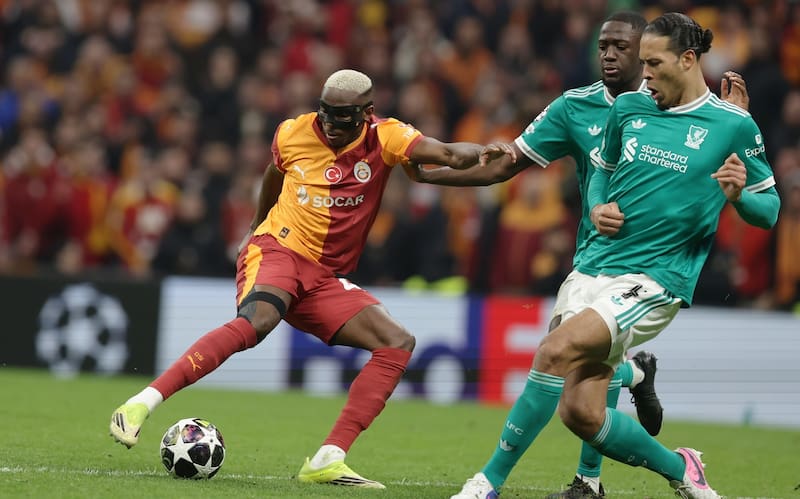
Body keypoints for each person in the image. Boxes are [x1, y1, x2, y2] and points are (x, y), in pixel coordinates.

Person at [410, 11, 750, 498]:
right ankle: (661, 434)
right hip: (594, 261)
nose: (610, 55)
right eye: (603, 46)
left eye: (624, 48)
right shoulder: (577, 107)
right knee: (581, 406)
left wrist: (740, 135)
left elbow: (737, 151)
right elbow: (510, 163)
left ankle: (509, 482)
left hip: (653, 273)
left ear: (650, 54)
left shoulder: (699, 114)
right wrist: (435, 174)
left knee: (557, 352)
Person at [109, 69, 488, 489]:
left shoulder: (388, 137)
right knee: (258, 322)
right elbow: (275, 174)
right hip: (277, 250)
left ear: (366, 114)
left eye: (342, 118)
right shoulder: (293, 132)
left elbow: (449, 157)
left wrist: (490, 154)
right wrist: (255, 225)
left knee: (396, 343)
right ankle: (141, 403)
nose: (330, 124)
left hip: (323, 276)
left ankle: (329, 457)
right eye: (326, 113)